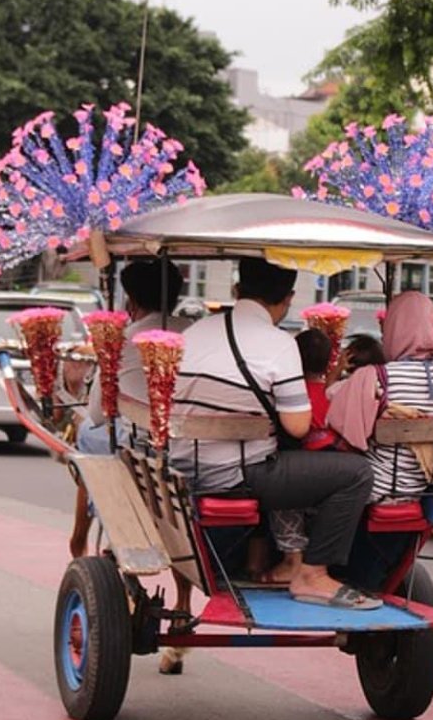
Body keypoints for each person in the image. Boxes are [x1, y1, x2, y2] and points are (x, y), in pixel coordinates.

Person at [170, 257, 378, 609]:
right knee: (356, 474)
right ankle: (311, 574)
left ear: (237, 290)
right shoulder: (278, 344)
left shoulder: (193, 333)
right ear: (289, 298)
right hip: (240, 473)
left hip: (182, 463)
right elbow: (297, 425)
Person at [70, 259, 187, 556]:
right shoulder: (196, 332)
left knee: (86, 432)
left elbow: (98, 414)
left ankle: (112, 520)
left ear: (130, 301)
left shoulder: (119, 341)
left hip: (142, 443)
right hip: (192, 442)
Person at [327, 290, 433, 501]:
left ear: (393, 328)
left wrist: (333, 376)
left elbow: (336, 417)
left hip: (378, 486)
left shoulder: (379, 375)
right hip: (427, 489)